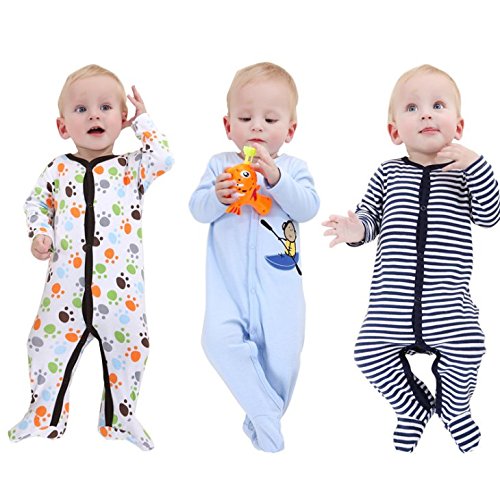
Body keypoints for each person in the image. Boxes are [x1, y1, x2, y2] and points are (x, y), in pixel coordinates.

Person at [323, 64, 500, 453]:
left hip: (447, 305)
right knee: (368, 354)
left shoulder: (465, 174)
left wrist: (478, 166)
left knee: (470, 348)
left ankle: (455, 408)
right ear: (394, 131)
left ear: (458, 126)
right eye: (412, 108)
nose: (426, 115)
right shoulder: (386, 174)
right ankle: (413, 408)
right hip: (391, 305)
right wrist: (355, 231)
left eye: (438, 105)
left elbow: (491, 215)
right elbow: (369, 218)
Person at [9, 64, 174, 451]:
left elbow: (164, 157)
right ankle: (43, 416)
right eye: (81, 109)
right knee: (42, 345)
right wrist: (41, 233)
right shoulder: (58, 169)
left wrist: (143, 121)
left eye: (105, 107)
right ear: (63, 125)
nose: (94, 116)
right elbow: (36, 204)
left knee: (132, 350)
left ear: (121, 118)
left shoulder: (131, 168)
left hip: (121, 294)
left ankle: (120, 420)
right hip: (64, 289)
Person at [189, 62, 319, 452]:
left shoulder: (293, 169)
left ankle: (263, 414)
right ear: (228, 125)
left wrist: (276, 178)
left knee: (284, 358)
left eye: (270, 119)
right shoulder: (220, 166)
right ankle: (265, 413)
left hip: (280, 292)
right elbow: (197, 210)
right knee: (216, 341)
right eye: (245, 118)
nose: (257, 127)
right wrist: (218, 197)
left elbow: (308, 207)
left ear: (290, 130)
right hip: (227, 288)